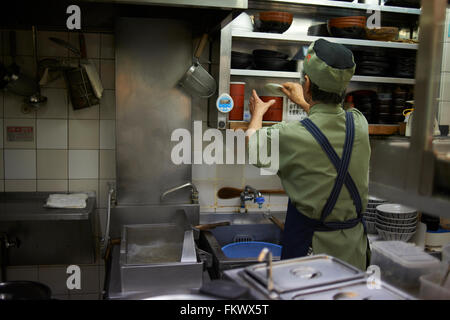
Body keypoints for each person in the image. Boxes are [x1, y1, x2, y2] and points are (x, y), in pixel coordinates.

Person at [246, 38, 371, 270]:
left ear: (307, 82)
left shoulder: (291, 134)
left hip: (312, 257)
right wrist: (305, 101)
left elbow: (254, 145)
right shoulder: (359, 124)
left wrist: (258, 114)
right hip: (353, 252)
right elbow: (331, 120)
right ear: (344, 87)